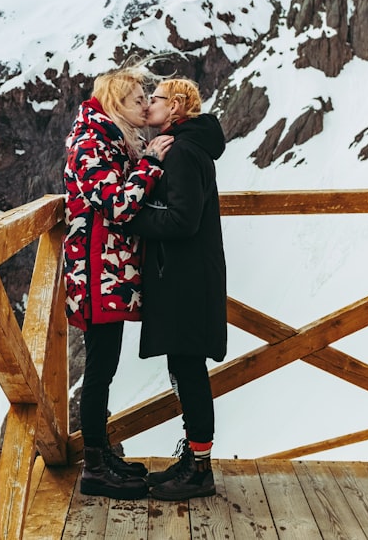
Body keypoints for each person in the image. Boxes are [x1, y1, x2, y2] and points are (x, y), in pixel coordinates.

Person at [63, 60, 173, 499]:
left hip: (105, 270)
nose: (145, 106)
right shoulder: (92, 142)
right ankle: (94, 467)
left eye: (148, 98)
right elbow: (118, 206)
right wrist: (149, 165)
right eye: (137, 100)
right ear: (115, 104)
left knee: (104, 366)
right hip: (95, 272)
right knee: (100, 368)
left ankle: (101, 454)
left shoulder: (104, 137)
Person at [124, 77, 227, 501]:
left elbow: (183, 220)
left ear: (178, 105)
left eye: (157, 99)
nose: (148, 105)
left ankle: (199, 470)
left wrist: (135, 217)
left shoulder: (182, 151)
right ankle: (194, 460)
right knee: (185, 367)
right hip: (187, 275)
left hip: (185, 278)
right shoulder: (185, 145)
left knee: (188, 369)